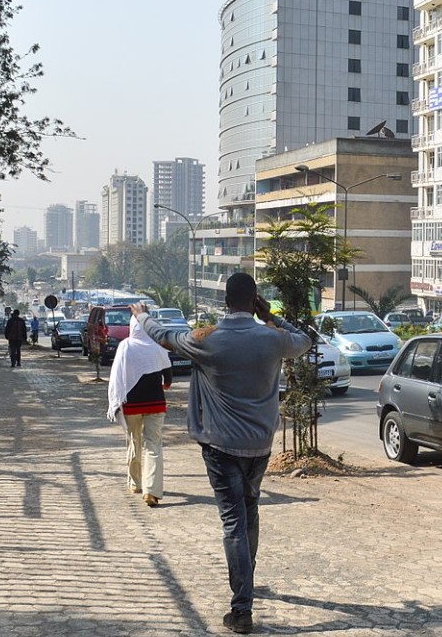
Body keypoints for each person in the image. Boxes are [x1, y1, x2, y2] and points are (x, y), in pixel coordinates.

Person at [132, 272, 312, 634]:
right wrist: (272, 317)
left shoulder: (207, 339)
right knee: (249, 512)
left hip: (220, 446)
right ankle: (246, 581)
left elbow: (164, 336)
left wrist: (142, 316)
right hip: (260, 446)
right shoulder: (272, 339)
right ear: (255, 300)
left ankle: (241, 608)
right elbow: (304, 340)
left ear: (225, 302)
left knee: (233, 522)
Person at [107, 316, 173, 508]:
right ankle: (151, 491)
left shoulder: (126, 346)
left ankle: (135, 483)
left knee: (134, 442)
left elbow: (117, 375)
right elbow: (168, 376)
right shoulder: (157, 346)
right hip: (156, 403)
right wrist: (164, 384)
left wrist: (117, 400)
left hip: (132, 405)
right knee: (153, 445)